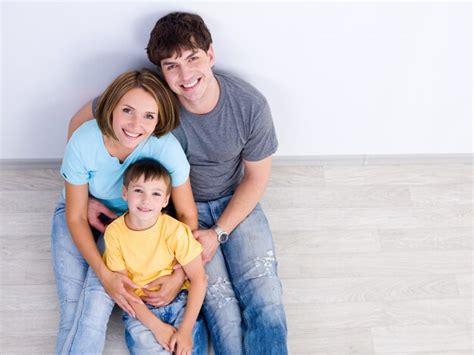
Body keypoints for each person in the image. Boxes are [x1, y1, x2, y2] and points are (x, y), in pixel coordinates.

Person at [69, 12, 288, 355]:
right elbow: (82, 124)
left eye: (193, 59)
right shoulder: (153, 98)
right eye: (171, 65)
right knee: (220, 304)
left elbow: (257, 177)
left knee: (265, 295)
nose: (185, 76)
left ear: (210, 55)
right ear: (161, 70)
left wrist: (218, 233)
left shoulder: (250, 105)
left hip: (237, 204)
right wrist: (88, 189)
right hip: (180, 212)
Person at [52, 68, 200, 354]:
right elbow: (76, 215)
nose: (135, 124)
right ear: (111, 108)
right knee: (74, 310)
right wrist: (105, 275)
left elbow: (187, 215)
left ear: (159, 119)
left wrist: (179, 274)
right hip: (81, 211)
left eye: (148, 116)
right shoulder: (84, 141)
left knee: (96, 299)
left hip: (135, 220)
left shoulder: (166, 148)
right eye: (128, 111)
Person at [103, 158, 207, 354]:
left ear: (165, 200)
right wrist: (156, 327)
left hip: (179, 301)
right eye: (138, 190)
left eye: (156, 193)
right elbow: (125, 288)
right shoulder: (114, 233)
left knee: (188, 348)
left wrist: (184, 331)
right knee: (147, 348)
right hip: (140, 310)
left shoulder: (175, 230)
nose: (146, 200)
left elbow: (199, 279)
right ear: (125, 192)